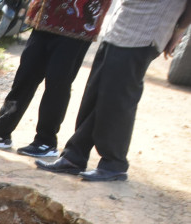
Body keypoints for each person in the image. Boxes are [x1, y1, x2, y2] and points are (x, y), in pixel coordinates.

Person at [37, 0, 191, 181]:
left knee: (117, 99)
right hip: (120, 27)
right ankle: (74, 156)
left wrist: (179, 31)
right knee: (96, 93)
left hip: (147, 31)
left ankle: (114, 163)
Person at [0, 0, 111, 158]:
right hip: (44, 17)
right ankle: (0, 133)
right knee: (25, 75)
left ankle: (46, 141)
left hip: (77, 24)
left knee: (57, 83)